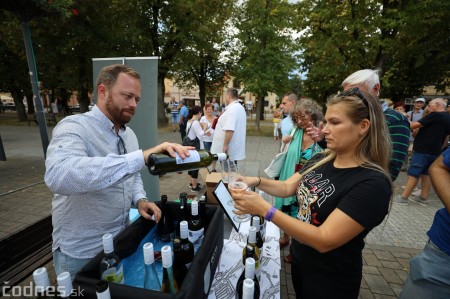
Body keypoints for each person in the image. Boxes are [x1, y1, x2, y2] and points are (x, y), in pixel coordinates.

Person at [231, 90, 392, 298]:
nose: (324, 130)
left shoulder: (371, 184)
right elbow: (289, 187)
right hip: (301, 262)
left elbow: (324, 239)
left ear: (363, 126)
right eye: (325, 122)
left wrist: (265, 210)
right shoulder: (323, 158)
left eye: (334, 123)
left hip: (330, 279)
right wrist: (256, 181)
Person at [44, 64, 191, 279]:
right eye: (127, 96)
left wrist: (140, 199)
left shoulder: (129, 134)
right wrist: (141, 157)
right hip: (81, 252)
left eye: (137, 100)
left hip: (119, 242)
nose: (133, 105)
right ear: (102, 91)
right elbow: (59, 176)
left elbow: (131, 174)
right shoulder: (73, 127)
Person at [276, 99, 324, 264]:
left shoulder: (321, 133)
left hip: (309, 181)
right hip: (291, 176)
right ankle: (286, 238)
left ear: (313, 113)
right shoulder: (296, 131)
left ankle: (296, 247)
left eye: (303, 116)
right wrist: (284, 144)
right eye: (296, 117)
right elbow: (285, 154)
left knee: (301, 213)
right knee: (288, 210)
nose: (300, 121)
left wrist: (321, 140)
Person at [399, 148, 450, 298]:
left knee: (416, 173)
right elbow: (439, 166)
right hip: (444, 254)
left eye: (334, 122)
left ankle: (412, 196)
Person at [395, 98, 450, 205]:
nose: (428, 107)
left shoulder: (435, 115)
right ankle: (423, 198)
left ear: (437, 105)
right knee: (426, 174)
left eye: (430, 105)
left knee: (413, 173)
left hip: (422, 149)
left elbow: (412, 125)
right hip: (435, 151)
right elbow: (446, 137)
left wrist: (403, 116)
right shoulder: (448, 117)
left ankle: (404, 198)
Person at [211, 88, 247, 164]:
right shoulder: (239, 108)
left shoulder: (232, 109)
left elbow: (230, 130)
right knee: (231, 171)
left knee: (228, 172)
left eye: (225, 96)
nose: (225, 99)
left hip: (227, 150)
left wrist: (225, 146)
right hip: (232, 147)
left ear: (229, 97)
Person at [186, 105, 207, 192]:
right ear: (199, 113)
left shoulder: (189, 121)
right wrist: (205, 127)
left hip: (190, 146)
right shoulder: (195, 122)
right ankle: (194, 187)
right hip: (196, 148)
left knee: (191, 165)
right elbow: (200, 134)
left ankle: (192, 183)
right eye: (201, 112)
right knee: (195, 166)